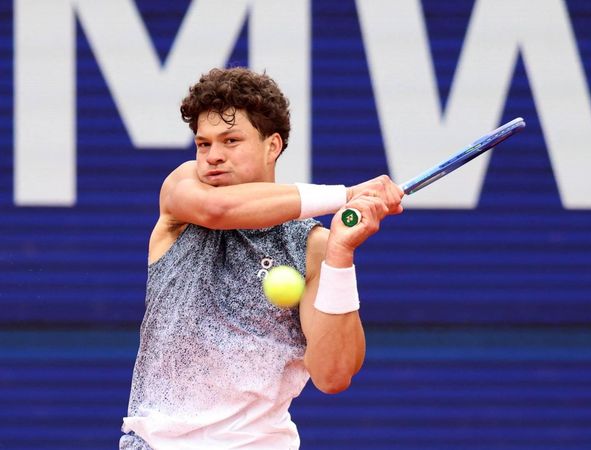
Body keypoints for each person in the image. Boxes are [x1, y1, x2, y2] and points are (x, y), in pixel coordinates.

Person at [120, 67, 404, 449]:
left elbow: (333, 376)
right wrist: (346, 194)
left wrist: (340, 253)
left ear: (273, 146)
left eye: (231, 140)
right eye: (204, 144)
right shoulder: (183, 194)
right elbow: (217, 210)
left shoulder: (312, 247)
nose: (212, 157)